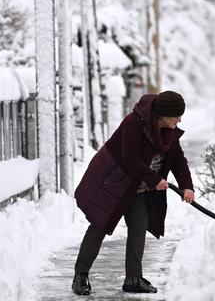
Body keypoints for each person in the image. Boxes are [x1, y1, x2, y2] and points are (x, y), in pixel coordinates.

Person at [71, 91, 194, 295]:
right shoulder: (134, 123)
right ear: (163, 114)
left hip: (138, 187)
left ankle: (133, 279)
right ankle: (80, 276)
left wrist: (187, 186)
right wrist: (155, 179)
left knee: (139, 226)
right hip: (114, 182)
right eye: (177, 115)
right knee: (99, 226)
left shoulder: (169, 131)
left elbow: (178, 159)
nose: (180, 119)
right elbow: (130, 159)